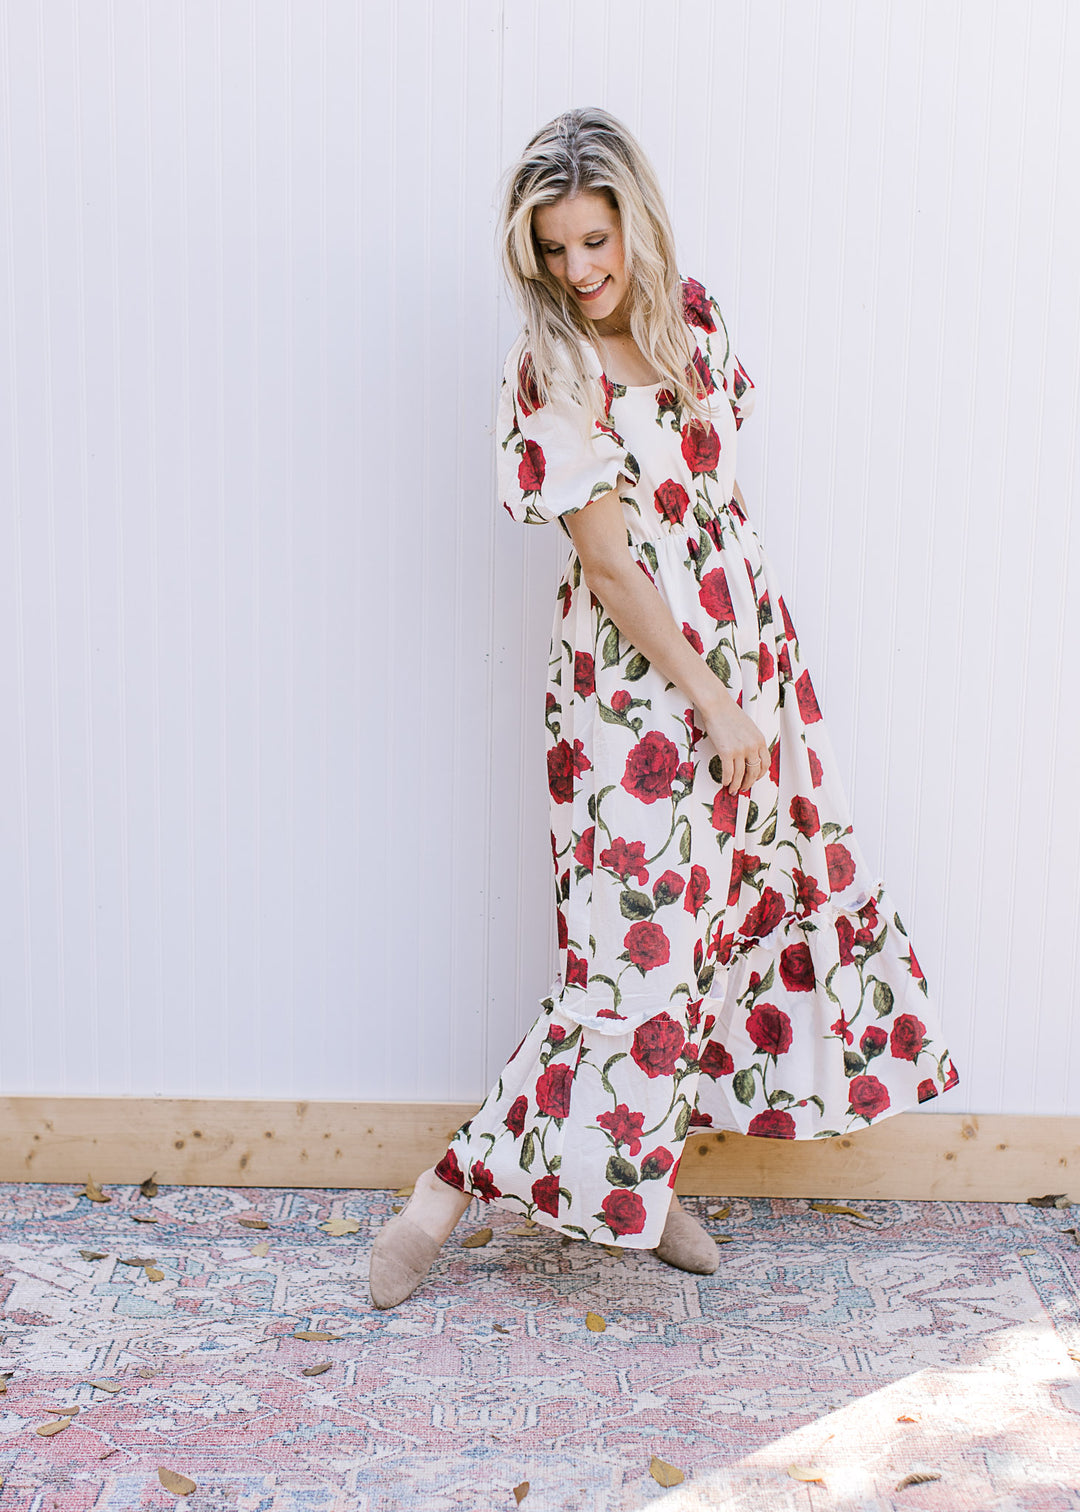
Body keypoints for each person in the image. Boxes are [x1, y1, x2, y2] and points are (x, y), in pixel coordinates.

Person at [368, 107, 958, 1310]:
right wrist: (712, 703)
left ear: (636, 221)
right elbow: (612, 566)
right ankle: (442, 1193)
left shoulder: (695, 320)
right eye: (555, 250)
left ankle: (641, 1182)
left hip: (746, 655)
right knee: (628, 965)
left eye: (596, 240)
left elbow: (717, 509)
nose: (578, 270)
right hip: (638, 692)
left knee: (720, 931)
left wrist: (756, 686)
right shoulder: (553, 369)